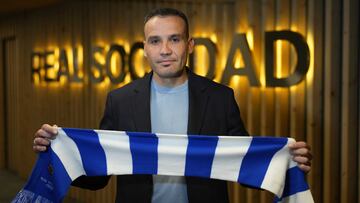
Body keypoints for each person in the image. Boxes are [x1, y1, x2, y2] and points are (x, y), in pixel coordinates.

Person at [33, 8, 312, 203]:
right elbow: (99, 174)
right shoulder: (120, 100)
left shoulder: (220, 98)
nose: (165, 50)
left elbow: (244, 165)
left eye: (174, 39)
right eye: (155, 41)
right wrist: (57, 153)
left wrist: (286, 161)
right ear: (145, 48)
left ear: (189, 45)